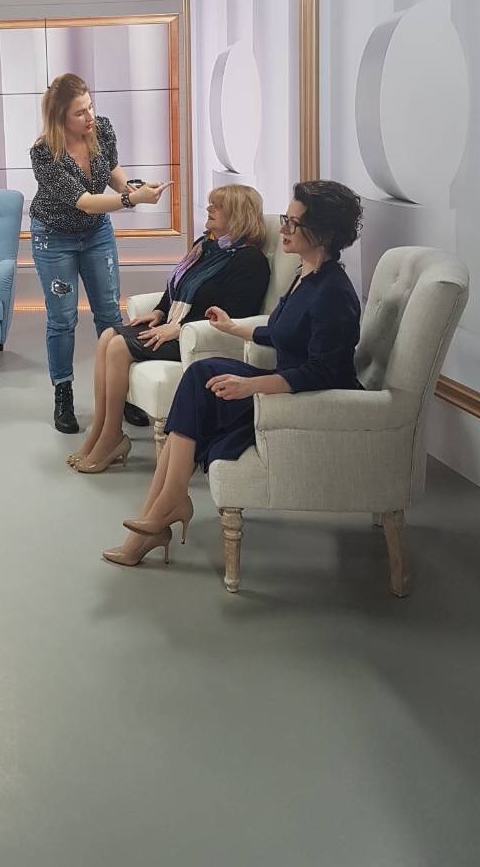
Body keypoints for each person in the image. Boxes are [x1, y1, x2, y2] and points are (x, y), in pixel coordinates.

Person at [103, 180, 363, 566]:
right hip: (285, 384)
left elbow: (323, 372)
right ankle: (162, 509)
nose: (284, 228)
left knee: (201, 384)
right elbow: (281, 331)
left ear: (323, 233)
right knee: (200, 375)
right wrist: (232, 328)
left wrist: (250, 385)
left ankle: (158, 517)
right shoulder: (305, 274)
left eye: (293, 223)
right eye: (286, 219)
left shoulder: (334, 292)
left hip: (306, 400)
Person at [68, 184, 271, 473]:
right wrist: (159, 311)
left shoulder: (250, 260)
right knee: (108, 336)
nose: (209, 209)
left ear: (238, 214)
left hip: (201, 337)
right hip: (177, 326)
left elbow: (234, 316)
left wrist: (179, 328)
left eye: (218, 206)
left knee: (118, 346)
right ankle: (100, 431)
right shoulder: (205, 246)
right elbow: (178, 284)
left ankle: (112, 436)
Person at [29, 73, 172, 433]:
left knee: (109, 313)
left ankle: (119, 394)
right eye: (80, 112)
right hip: (54, 237)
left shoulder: (102, 129)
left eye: (90, 106)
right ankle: (63, 392)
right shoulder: (44, 153)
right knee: (62, 318)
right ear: (60, 117)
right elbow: (86, 202)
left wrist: (135, 188)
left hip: (96, 234)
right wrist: (131, 200)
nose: (89, 116)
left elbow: (113, 174)